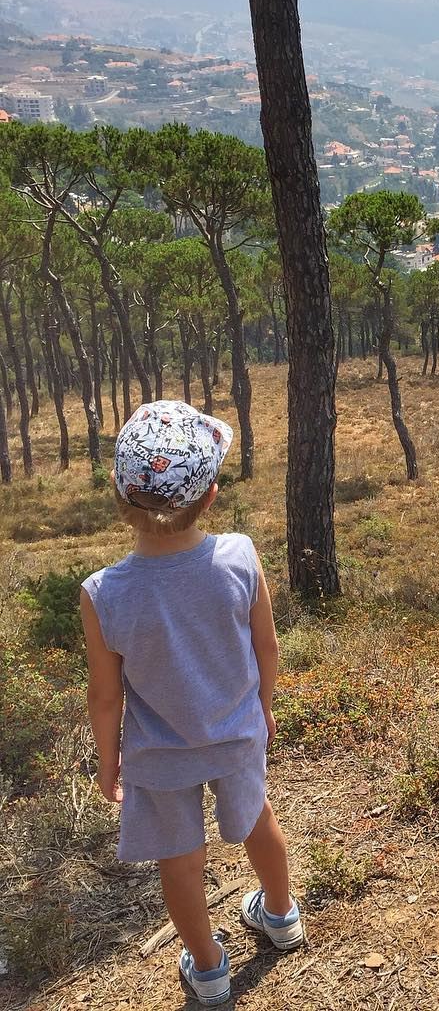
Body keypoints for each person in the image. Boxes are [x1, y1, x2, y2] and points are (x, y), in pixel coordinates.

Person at [81, 400, 304, 1006]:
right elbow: (267, 647)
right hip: (236, 734)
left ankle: (207, 970)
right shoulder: (239, 556)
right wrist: (264, 706)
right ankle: (281, 916)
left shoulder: (104, 595)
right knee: (259, 819)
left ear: (118, 496)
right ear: (209, 495)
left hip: (158, 756)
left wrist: (108, 763)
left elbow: (106, 698)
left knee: (178, 859)